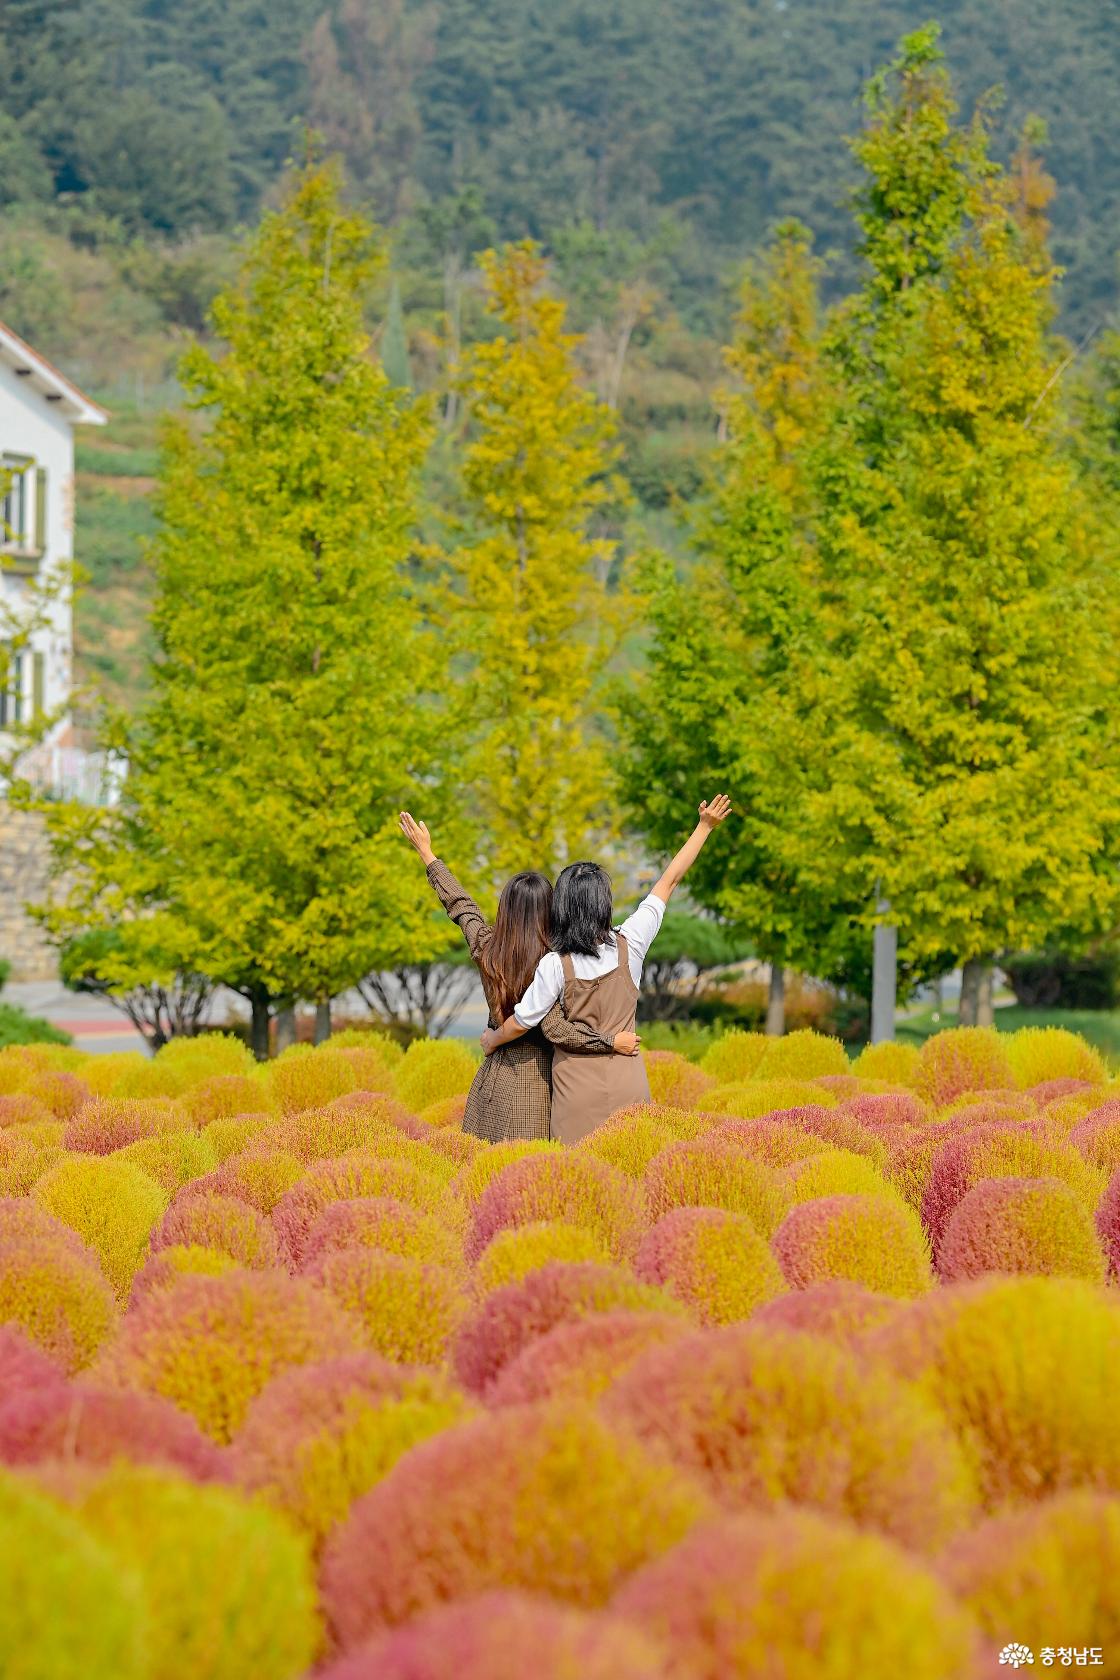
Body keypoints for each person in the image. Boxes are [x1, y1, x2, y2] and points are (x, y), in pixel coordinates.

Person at [481, 795, 732, 1145]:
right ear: (604, 905)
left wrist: (493, 1039)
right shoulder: (632, 943)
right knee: (633, 1167)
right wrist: (704, 827)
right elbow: (669, 881)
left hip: (574, 1093)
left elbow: (522, 1021)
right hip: (628, 1081)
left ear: (562, 908)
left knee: (580, 1181)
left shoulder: (555, 965)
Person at [399, 812, 638, 1144]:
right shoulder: (556, 962)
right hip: (543, 1083)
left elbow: (462, 906)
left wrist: (428, 854)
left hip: (494, 1082)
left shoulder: (487, 948)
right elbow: (557, 1029)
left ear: (504, 909)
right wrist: (610, 1042)